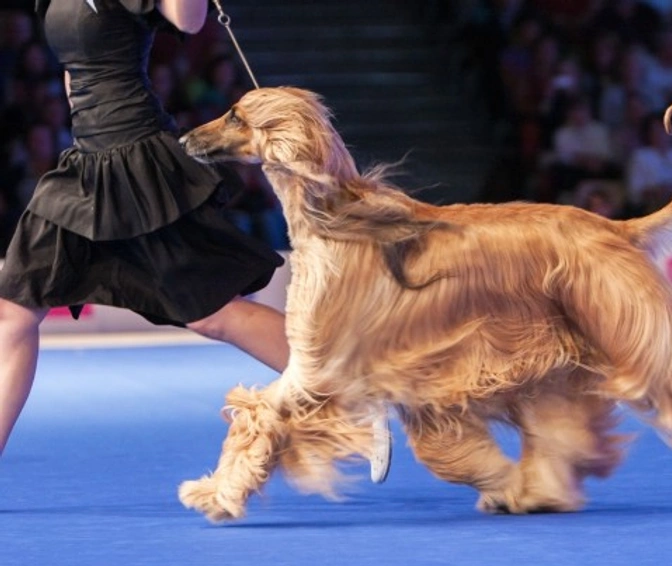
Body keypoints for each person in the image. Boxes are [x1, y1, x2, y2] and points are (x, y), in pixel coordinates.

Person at [0, 0, 391, 482]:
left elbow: (189, 19)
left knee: (214, 314)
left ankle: (354, 390)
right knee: (14, 312)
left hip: (135, 164)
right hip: (85, 166)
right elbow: (74, 69)